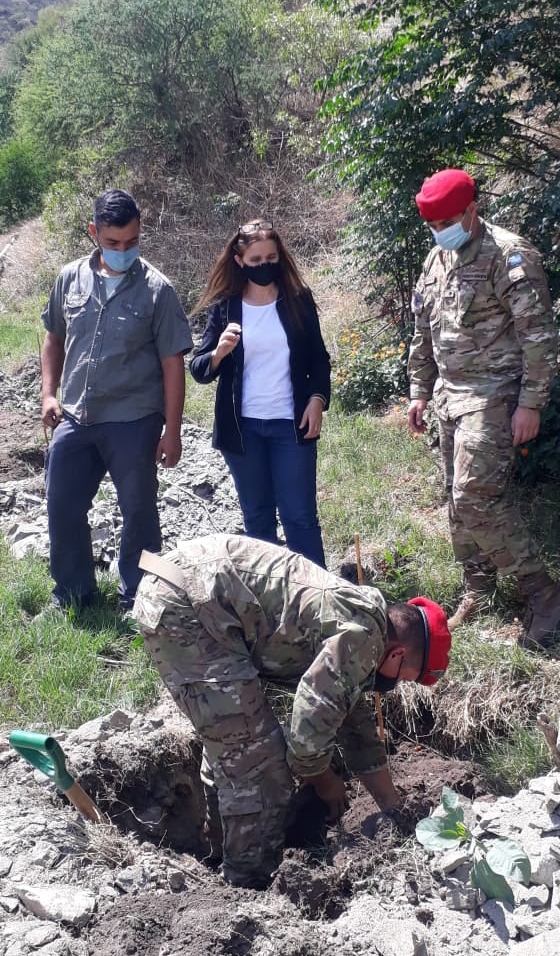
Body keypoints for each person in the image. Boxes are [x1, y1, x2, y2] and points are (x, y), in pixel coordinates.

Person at [134, 534, 451, 889]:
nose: (396, 685)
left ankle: (219, 846)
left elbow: (352, 719)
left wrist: (391, 805)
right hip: (188, 609)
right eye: (406, 678)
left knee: (236, 739)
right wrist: (326, 782)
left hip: (187, 588)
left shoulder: (364, 618)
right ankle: (246, 885)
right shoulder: (363, 639)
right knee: (261, 763)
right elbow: (304, 741)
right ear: (396, 656)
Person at [407, 167, 560, 646]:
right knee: (456, 503)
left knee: (475, 497)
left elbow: (538, 336)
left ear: (472, 211)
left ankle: (546, 595)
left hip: (495, 397)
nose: (440, 233)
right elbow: (424, 332)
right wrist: (419, 391)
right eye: (432, 226)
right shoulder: (436, 259)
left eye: (447, 223)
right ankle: (478, 589)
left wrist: (531, 404)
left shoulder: (509, 254)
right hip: (450, 398)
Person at [40, 188, 192, 610]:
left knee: (139, 513)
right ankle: (73, 593)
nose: (123, 251)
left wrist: (172, 431)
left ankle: (140, 597)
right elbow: (54, 338)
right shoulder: (70, 278)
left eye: (131, 242)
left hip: (134, 420)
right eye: (112, 243)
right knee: (62, 504)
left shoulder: (158, 290)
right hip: (76, 416)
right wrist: (48, 394)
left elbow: (172, 364)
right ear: (94, 233)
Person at [190, 219, 330, 568]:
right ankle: (268, 606)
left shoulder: (298, 299)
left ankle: (319, 601)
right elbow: (199, 368)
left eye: (272, 257)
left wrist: (317, 400)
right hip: (243, 430)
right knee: (258, 520)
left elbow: (319, 361)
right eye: (256, 260)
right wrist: (219, 353)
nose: (265, 265)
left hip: (290, 425)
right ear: (239, 261)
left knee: (299, 517)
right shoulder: (224, 306)